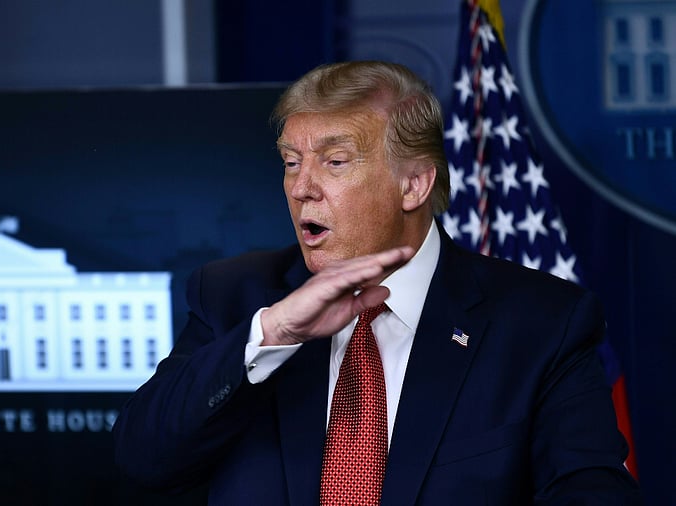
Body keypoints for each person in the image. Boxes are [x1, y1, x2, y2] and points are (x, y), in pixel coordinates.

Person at [112, 61, 641, 505]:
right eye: (291, 163)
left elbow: (591, 491)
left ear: (413, 184)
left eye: (334, 162)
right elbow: (142, 460)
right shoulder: (236, 297)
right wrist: (271, 337)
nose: (301, 188)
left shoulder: (542, 323)